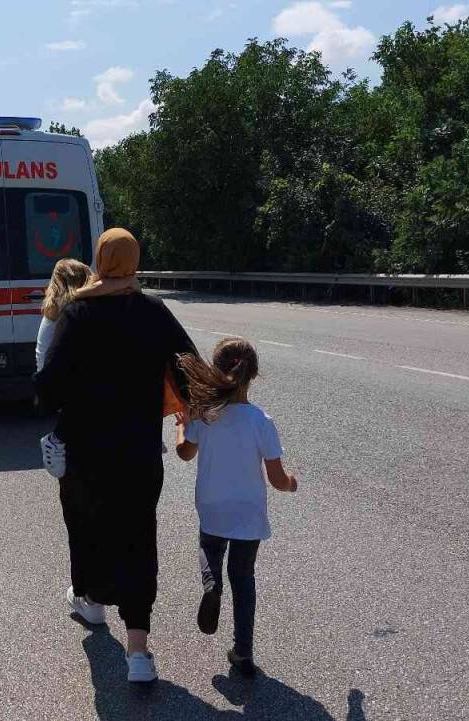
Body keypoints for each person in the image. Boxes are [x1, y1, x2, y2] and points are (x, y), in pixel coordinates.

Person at [35, 228, 197, 684]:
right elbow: (190, 370)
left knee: (86, 526)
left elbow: (49, 387)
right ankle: (139, 652)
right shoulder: (153, 310)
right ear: (134, 260)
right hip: (140, 450)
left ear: (101, 260)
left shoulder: (77, 312)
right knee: (138, 535)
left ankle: (89, 601)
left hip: (87, 452)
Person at [174, 337, 298, 678]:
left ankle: (211, 585)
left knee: (209, 548)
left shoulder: (206, 415)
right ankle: (243, 652)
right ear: (253, 375)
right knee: (244, 579)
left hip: (212, 507)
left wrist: (183, 425)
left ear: (215, 371)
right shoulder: (261, 420)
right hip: (248, 514)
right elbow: (276, 478)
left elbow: (185, 454)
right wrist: (291, 483)